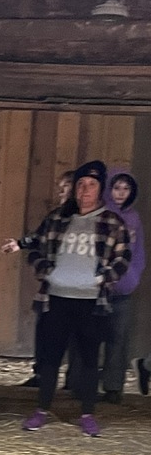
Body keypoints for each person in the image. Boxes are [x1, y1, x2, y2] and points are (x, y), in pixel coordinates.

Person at [21, 160, 131, 437]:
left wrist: (103, 278)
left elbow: (123, 257)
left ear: (100, 189)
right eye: (81, 184)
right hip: (56, 297)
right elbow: (35, 243)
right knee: (50, 358)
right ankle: (42, 409)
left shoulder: (111, 221)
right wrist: (44, 269)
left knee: (89, 359)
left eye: (91, 185)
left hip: (91, 301)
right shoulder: (58, 217)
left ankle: (87, 413)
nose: (84, 190)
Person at [1, 170, 74, 388]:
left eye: (67, 185)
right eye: (60, 185)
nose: (62, 189)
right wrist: (20, 244)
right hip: (51, 286)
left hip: (75, 287)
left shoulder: (83, 220)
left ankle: (72, 380)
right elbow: (38, 237)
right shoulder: (53, 216)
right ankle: (41, 375)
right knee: (44, 331)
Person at [101, 170, 145, 403]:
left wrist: (132, 278)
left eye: (126, 189)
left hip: (123, 288)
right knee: (88, 337)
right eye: (117, 188)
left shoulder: (133, 218)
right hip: (98, 287)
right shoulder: (102, 214)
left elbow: (138, 252)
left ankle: (113, 387)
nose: (121, 193)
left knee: (118, 338)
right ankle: (79, 383)